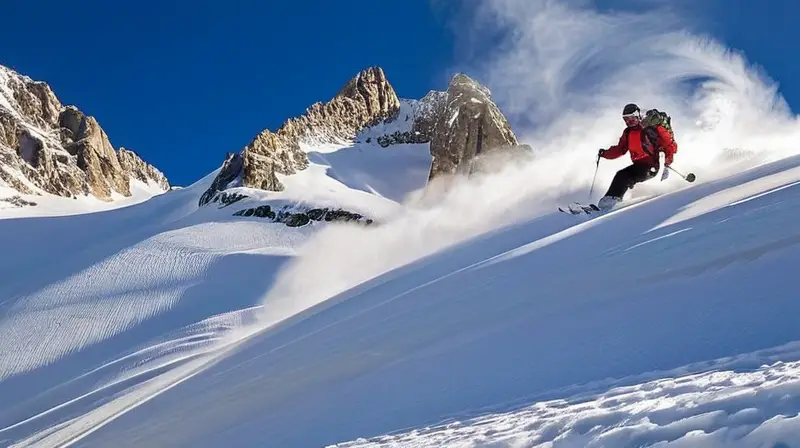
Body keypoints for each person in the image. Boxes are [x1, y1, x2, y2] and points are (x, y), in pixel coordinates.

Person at [595, 103, 678, 210]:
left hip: (653, 166)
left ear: (638, 116)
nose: (629, 123)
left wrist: (666, 163)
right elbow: (620, 149)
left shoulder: (651, 128)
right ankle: (611, 201)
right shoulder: (628, 132)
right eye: (626, 120)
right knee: (621, 174)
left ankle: (611, 203)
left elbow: (670, 146)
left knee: (624, 176)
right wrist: (605, 153)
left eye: (632, 119)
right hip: (639, 165)